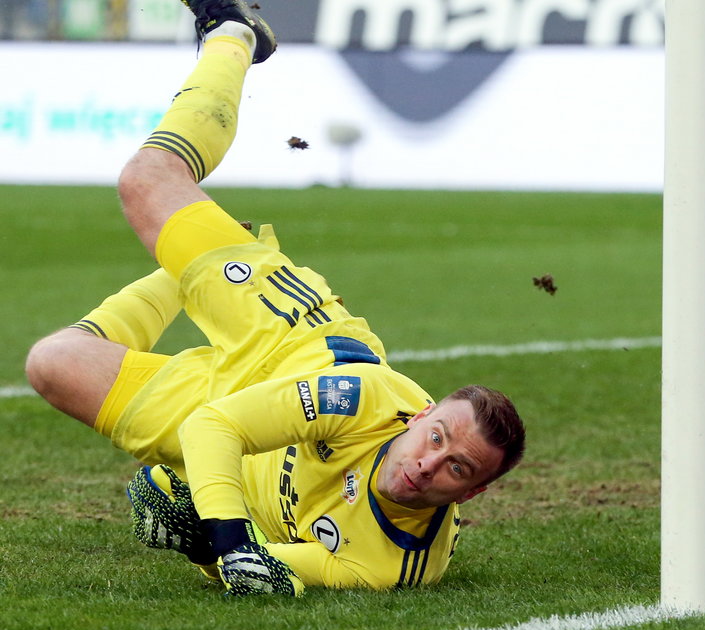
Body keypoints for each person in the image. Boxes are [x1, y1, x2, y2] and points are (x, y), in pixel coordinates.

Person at [23, 0, 525, 596]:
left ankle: (183, 273)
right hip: (281, 337)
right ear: (421, 417)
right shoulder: (364, 399)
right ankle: (233, 35)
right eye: (436, 437)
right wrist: (232, 537)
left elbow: (260, 569)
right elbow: (216, 432)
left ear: (471, 494)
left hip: (235, 428)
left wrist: (207, 545)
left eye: (456, 469)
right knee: (147, 182)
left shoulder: (390, 568)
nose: (426, 464)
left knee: (51, 365)